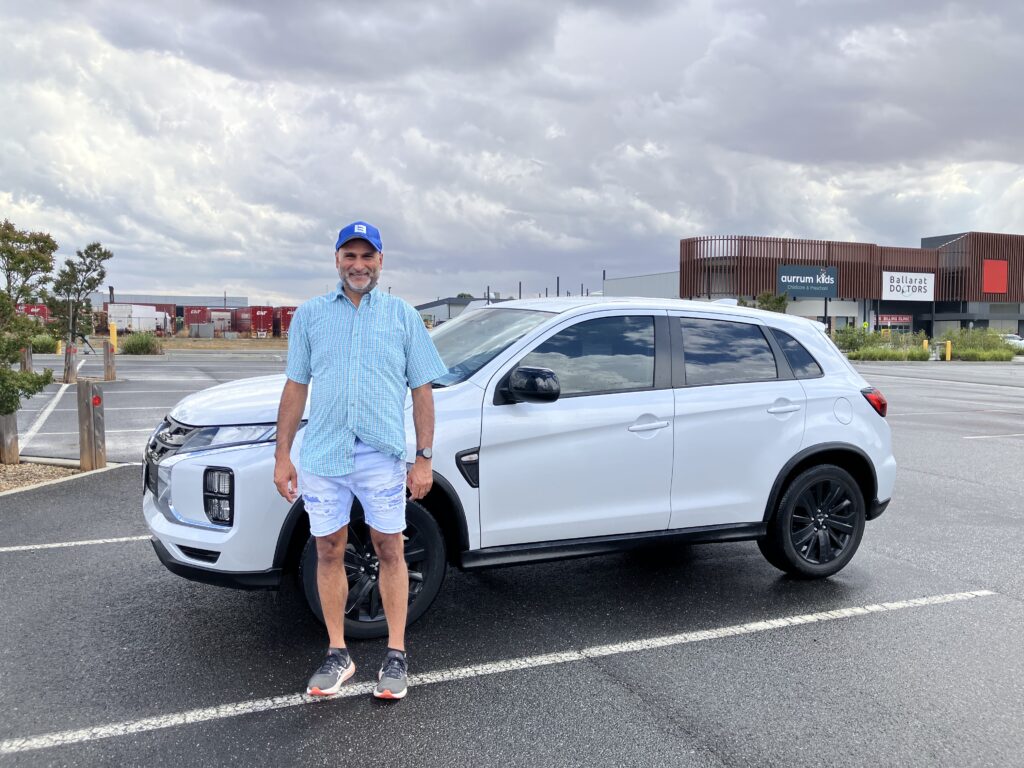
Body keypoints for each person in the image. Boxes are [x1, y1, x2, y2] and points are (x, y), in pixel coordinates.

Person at [273, 220, 447, 701]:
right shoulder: (309, 316)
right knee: (328, 549)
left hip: (381, 454)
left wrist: (424, 458)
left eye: (367, 256)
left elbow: (422, 389)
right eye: (349, 255)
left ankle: (396, 654)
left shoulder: (402, 317)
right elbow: (296, 386)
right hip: (323, 454)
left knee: (389, 548)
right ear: (336, 261)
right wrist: (282, 455)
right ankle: (338, 653)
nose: (358, 265)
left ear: (380, 262)